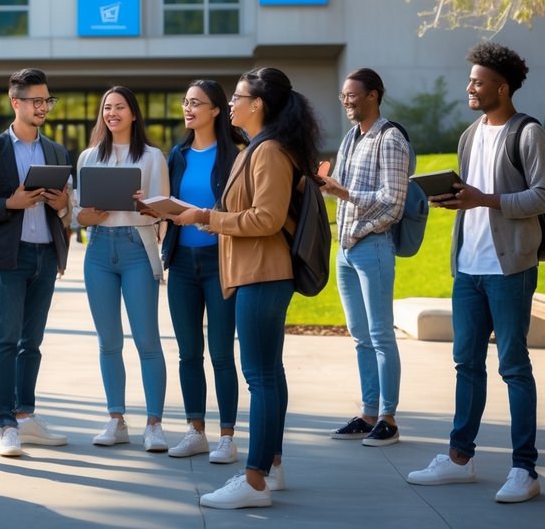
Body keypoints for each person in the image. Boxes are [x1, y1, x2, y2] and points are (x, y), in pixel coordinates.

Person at [407, 43, 545, 504]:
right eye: (470, 80)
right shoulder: (470, 135)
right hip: (468, 268)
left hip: (509, 268)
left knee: (513, 367)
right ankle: (459, 459)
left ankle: (524, 469)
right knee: (466, 365)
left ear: (502, 87)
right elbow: (470, 195)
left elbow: (544, 196)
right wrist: (453, 199)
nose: (469, 87)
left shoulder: (528, 134)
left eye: (477, 81)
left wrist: (484, 199)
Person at [174, 67, 321, 510]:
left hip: (263, 273)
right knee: (268, 373)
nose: (232, 104)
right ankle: (271, 466)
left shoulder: (269, 151)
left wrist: (205, 218)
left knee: (259, 376)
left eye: (238, 97)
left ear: (258, 105)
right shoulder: (255, 149)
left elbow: (266, 219)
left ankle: (254, 479)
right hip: (255, 272)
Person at [0, 68, 72, 458]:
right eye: (36, 101)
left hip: (46, 255)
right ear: (16, 103)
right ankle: (6, 423)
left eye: (47, 100)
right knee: (5, 340)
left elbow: (65, 209)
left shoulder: (57, 151)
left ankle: (26, 415)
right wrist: (9, 203)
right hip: (9, 257)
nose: (43, 107)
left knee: (33, 343)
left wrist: (62, 206)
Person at [319, 68, 412, 447]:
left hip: (372, 245)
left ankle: (388, 418)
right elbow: (340, 189)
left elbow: (394, 201)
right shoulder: (351, 138)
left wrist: (347, 198)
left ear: (374, 95)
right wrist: (325, 184)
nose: (346, 101)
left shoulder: (389, 139)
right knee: (360, 336)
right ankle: (369, 412)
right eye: (342, 95)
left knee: (380, 334)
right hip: (345, 248)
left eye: (352, 95)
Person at [75, 86, 171, 453]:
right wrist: (89, 215)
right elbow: (79, 217)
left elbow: (164, 210)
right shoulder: (88, 156)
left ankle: (154, 424)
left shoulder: (151, 157)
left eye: (119, 107)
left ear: (133, 114)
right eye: (107, 108)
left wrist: (145, 205)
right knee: (108, 342)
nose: (112, 113)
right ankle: (116, 419)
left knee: (147, 340)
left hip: (136, 246)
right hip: (99, 248)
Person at [161, 80, 245, 463]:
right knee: (188, 352)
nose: (188, 108)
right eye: (186, 101)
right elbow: (174, 205)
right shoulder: (176, 155)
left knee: (222, 352)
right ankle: (195, 429)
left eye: (197, 103)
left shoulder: (237, 154)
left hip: (221, 262)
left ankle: (227, 435)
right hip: (180, 264)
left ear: (216, 110)